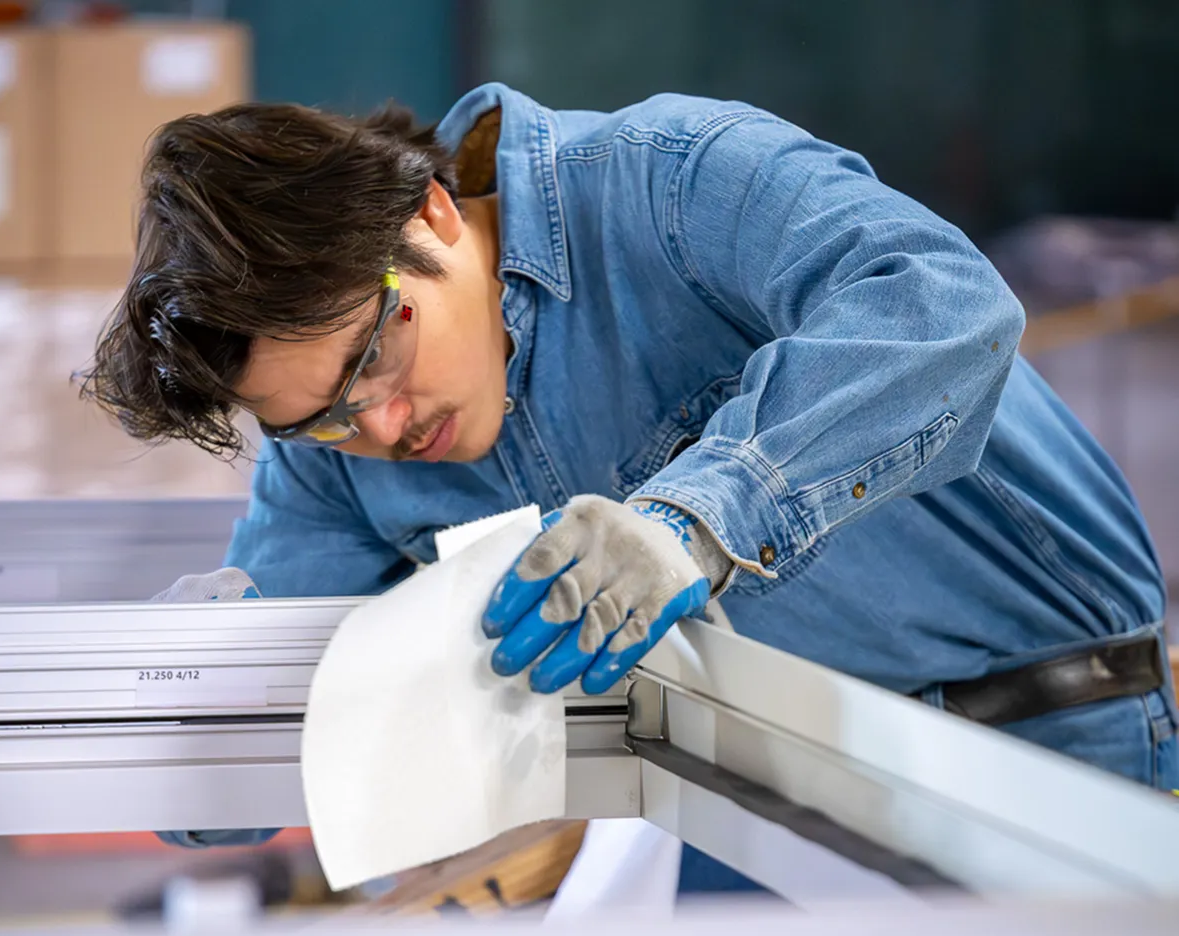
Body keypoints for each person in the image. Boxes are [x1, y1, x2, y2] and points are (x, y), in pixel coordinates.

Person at [80, 84, 1176, 851]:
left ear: (429, 214)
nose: (384, 420)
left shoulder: (671, 185)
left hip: (1058, 744)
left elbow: (944, 307)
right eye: (324, 416)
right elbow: (240, 778)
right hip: (768, 806)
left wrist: (695, 517)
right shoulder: (334, 454)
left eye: (378, 353)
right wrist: (199, 700)